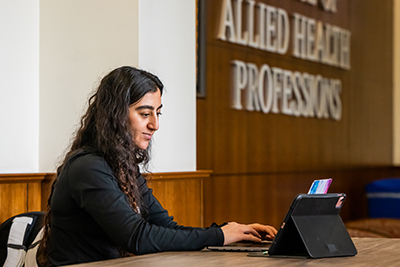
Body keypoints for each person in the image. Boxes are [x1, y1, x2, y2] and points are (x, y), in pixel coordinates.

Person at [36, 66, 277, 266]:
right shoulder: (88, 167)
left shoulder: (122, 167)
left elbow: (165, 227)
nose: (155, 125)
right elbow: (137, 237)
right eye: (145, 113)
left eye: (158, 113)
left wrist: (231, 232)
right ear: (115, 115)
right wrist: (220, 235)